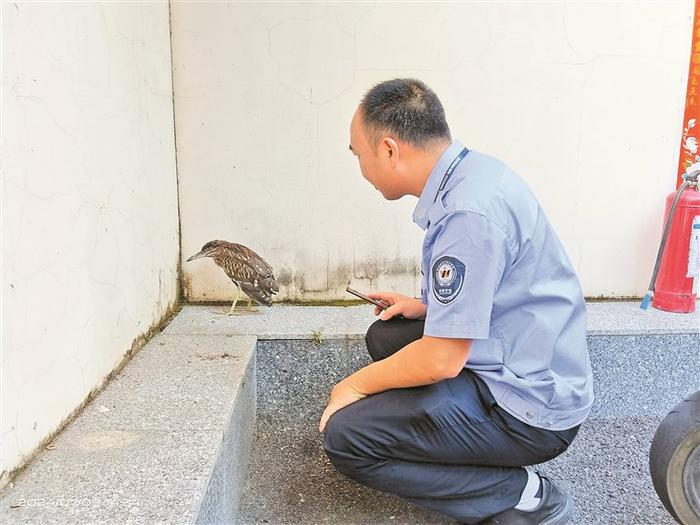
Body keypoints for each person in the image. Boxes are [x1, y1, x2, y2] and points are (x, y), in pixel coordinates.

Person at [319, 78, 594, 525]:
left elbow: (444, 358)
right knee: (387, 336)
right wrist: (428, 308)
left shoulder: (469, 213)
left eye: (358, 153)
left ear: (388, 149)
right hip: (529, 358)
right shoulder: (474, 174)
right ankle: (449, 426)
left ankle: (520, 494)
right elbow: (496, 283)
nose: (361, 167)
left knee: (347, 437)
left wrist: (352, 387)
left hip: (531, 408)